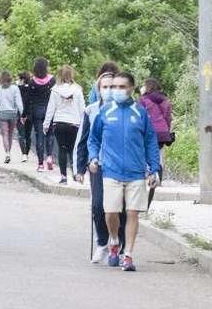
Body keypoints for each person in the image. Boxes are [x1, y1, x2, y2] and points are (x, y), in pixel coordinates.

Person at [87, 72, 160, 272]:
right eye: (114, 87)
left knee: (132, 213)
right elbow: (93, 139)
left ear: (131, 89)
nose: (116, 91)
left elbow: (150, 142)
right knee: (110, 213)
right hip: (110, 171)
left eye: (121, 87)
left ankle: (127, 255)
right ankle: (113, 240)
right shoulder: (105, 111)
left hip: (136, 173)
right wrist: (93, 157)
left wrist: (154, 168)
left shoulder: (141, 113)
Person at [76, 71, 127, 263]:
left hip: (120, 166)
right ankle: (103, 243)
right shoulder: (91, 111)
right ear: (98, 89)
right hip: (97, 166)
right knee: (98, 205)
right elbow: (84, 140)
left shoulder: (125, 110)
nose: (108, 90)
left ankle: (119, 244)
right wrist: (80, 167)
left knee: (118, 207)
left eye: (111, 87)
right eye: (104, 87)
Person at [43, 65, 85, 184]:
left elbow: (51, 108)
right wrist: (84, 124)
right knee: (73, 149)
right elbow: (82, 109)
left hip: (59, 123)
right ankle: (76, 174)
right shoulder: (77, 90)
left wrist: (46, 125)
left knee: (62, 149)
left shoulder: (55, 90)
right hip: (74, 123)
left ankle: (63, 177)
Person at [140, 78, 173, 207]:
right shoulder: (165, 100)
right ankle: (157, 176)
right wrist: (166, 131)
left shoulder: (143, 100)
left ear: (147, 87)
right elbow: (168, 117)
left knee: (144, 157)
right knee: (158, 158)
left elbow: (140, 117)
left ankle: (149, 174)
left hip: (148, 133)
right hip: (162, 133)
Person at [0, 71, 25, 164]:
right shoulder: (15, 88)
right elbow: (19, 102)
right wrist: (22, 113)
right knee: (10, 134)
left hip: (2, 113)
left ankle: (7, 153)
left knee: (5, 134)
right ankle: (9, 151)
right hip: (12, 113)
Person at [29, 57, 56, 172]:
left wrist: (27, 114)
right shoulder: (52, 80)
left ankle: (40, 164)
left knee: (39, 136)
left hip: (37, 111)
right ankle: (49, 156)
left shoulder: (32, 81)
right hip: (49, 110)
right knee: (50, 134)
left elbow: (29, 99)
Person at [16, 72, 34, 162]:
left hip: (20, 113)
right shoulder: (32, 89)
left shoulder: (18, 89)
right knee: (28, 135)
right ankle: (27, 153)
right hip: (30, 114)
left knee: (21, 135)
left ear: (22, 80)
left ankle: (23, 154)